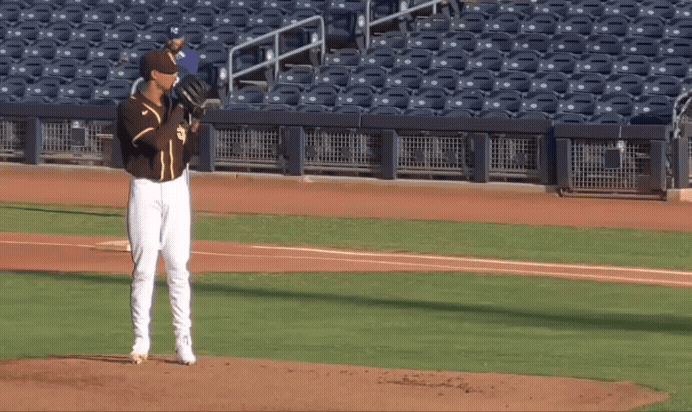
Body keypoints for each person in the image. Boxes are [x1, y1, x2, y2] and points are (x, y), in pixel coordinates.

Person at [116, 42, 206, 366]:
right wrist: (180, 111)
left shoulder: (174, 107)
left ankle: (184, 342)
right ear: (155, 75)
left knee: (179, 268)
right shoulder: (130, 109)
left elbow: (187, 152)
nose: (176, 77)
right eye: (171, 72)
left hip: (178, 190)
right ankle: (141, 341)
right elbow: (155, 142)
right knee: (144, 269)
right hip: (146, 192)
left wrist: (197, 120)